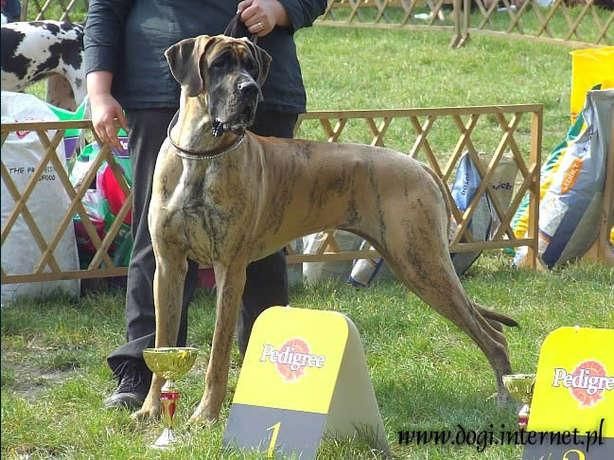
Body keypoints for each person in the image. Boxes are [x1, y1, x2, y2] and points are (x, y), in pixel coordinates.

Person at [84, 0, 327, 410]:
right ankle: (144, 374)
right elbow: (106, 6)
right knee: (154, 242)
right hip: (160, 88)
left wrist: (280, 9)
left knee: (261, 246)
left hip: (263, 87)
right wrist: (98, 92)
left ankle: (266, 373)